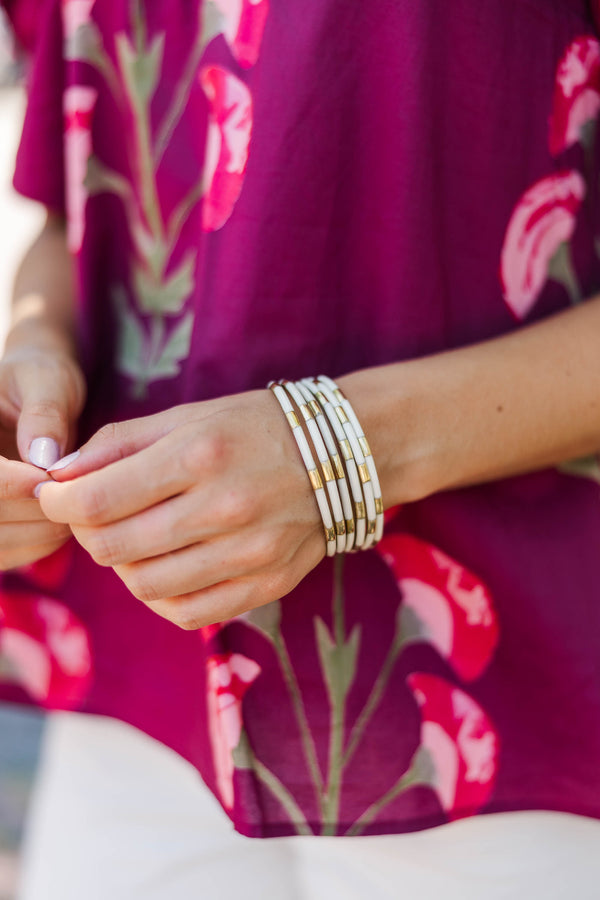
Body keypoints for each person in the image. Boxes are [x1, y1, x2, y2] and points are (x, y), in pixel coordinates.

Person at [2, 0, 600, 896]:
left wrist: (338, 447)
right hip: (140, 685)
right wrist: (32, 359)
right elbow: (75, 198)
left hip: (510, 708)